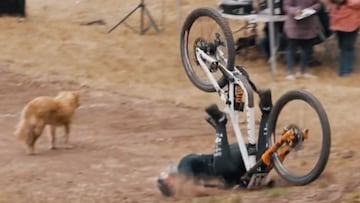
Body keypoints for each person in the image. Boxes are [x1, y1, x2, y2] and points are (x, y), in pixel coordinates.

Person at [157, 91, 273, 197]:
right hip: (237, 170)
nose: (169, 176)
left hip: (228, 160)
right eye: (167, 179)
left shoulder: (184, 163)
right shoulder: (197, 178)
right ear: (170, 185)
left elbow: (193, 188)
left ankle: (220, 123)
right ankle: (266, 110)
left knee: (222, 168)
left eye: (168, 177)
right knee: (263, 159)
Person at [283, 0, 322, 80]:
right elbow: (286, 6)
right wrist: (295, 11)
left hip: (309, 24)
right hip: (293, 25)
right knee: (291, 49)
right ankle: (290, 73)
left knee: (307, 49)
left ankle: (303, 71)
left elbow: (318, 4)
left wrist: (311, 9)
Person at [328, 0, 360, 77]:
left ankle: (345, 70)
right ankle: (344, 71)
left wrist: (343, 2)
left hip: (349, 21)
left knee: (346, 47)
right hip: (341, 21)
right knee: (345, 47)